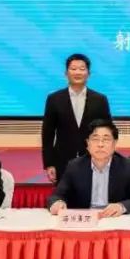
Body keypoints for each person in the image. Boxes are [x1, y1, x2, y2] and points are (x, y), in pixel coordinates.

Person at [48, 119, 130, 216]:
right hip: (85, 221)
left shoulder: (128, 167)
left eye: (106, 139)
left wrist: (121, 207)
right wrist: (57, 203)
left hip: (115, 220)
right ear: (88, 143)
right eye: (95, 139)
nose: (100, 145)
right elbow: (56, 196)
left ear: (114, 143)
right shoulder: (74, 167)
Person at [40, 53, 112, 186]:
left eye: (82, 69)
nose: (77, 72)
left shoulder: (100, 100)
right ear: (66, 73)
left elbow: (108, 132)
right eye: (73, 69)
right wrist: (49, 164)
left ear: (88, 74)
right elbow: (47, 134)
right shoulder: (54, 99)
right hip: (63, 162)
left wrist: (106, 158)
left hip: (94, 160)